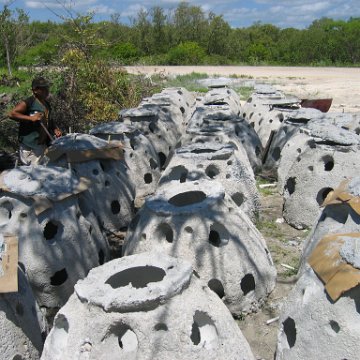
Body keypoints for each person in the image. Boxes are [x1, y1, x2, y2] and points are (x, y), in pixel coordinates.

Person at [9, 76, 62, 165]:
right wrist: (31, 118)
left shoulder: (46, 104)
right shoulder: (29, 102)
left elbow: (49, 120)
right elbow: (12, 114)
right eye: (43, 89)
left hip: (41, 145)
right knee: (33, 173)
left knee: (43, 170)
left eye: (47, 88)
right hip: (30, 146)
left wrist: (55, 129)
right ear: (35, 90)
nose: (47, 90)